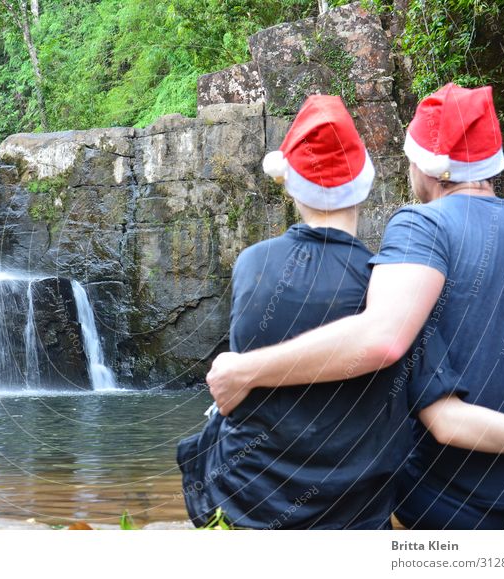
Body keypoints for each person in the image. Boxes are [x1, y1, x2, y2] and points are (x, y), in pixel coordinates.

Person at [205, 83, 504, 529]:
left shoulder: (420, 226)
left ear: (430, 168)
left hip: (441, 506)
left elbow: (384, 341)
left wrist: (244, 370)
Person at [178, 95, 463, 529]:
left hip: (246, 502)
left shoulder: (251, 263)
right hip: (352, 514)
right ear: (365, 185)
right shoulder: (387, 285)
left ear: (289, 185)